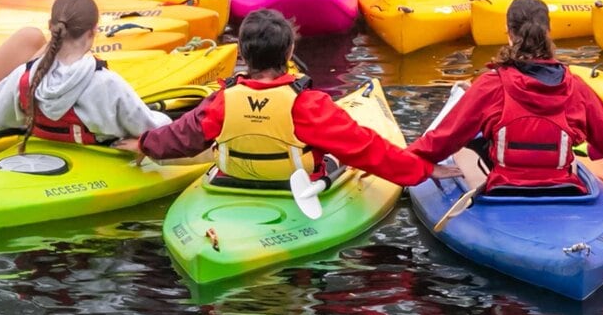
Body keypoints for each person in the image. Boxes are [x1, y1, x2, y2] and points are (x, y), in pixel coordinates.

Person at [407, 0, 603, 191]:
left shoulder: (490, 85)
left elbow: (440, 142)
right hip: (564, 190)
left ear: (509, 34)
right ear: (549, 32)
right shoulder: (577, 88)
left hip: (504, 189)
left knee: (471, 143)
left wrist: (405, 160)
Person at [135, 9, 430, 184]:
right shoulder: (308, 105)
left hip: (236, 183)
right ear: (290, 52)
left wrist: (142, 143)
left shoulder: (222, 100)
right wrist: (422, 170)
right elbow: (364, 149)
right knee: (339, 160)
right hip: (295, 186)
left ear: (241, 55)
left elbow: (180, 137)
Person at [0, 0, 174, 147]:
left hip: (43, 150)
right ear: (93, 33)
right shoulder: (108, 84)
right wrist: (164, 125)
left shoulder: (25, 77)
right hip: (99, 157)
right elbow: (151, 129)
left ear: (50, 27)